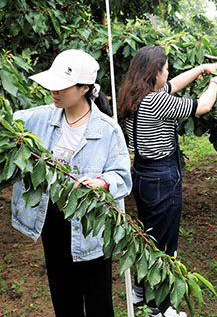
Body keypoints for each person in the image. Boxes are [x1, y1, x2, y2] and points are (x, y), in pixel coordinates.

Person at [11, 50, 132, 317]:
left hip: (91, 225)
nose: (53, 91)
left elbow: (122, 176)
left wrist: (101, 182)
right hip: (53, 221)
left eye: (62, 86)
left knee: (98, 298)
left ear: (84, 88)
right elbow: (6, 126)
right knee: (63, 295)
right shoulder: (39, 118)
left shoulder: (107, 129)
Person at [117, 45, 217, 317]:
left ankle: (141, 290)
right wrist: (215, 80)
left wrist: (201, 69)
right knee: (164, 245)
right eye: (165, 69)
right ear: (154, 74)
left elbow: (173, 85)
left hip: (141, 172)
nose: (169, 73)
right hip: (162, 177)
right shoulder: (157, 102)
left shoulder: (134, 95)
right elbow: (205, 105)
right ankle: (160, 308)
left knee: (147, 237)